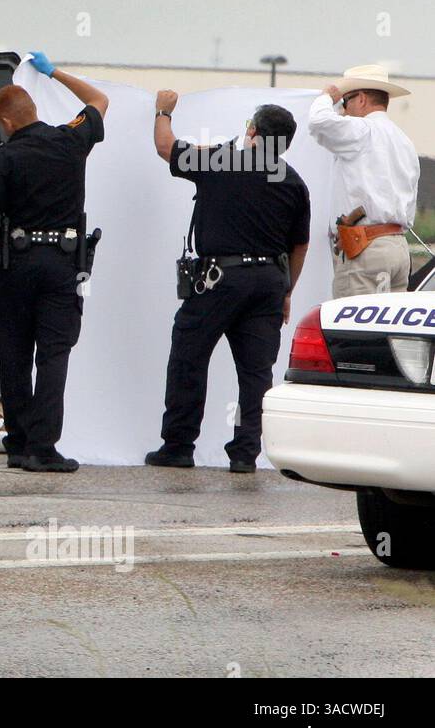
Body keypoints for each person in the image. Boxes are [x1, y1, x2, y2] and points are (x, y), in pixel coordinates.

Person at [145, 93, 311, 473]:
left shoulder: (221, 160)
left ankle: (178, 446)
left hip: (219, 279)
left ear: (251, 131)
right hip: (268, 281)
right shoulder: (293, 181)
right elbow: (300, 244)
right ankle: (244, 452)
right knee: (255, 374)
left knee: (189, 356)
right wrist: (287, 290)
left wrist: (163, 110)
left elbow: (165, 146)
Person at [0, 52, 108, 473]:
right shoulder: (71, 140)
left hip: (18, 264)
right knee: (52, 357)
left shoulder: (6, 158)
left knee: (14, 354)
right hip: (62, 263)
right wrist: (55, 73)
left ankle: (17, 445)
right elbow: (100, 100)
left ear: (8, 122)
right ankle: (43, 449)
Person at [308, 64, 418, 297]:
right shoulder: (404, 141)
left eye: (345, 102)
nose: (343, 110)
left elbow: (318, 122)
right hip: (398, 245)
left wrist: (327, 97)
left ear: (361, 99)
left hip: (366, 246)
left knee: (356, 330)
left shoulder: (362, 130)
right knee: (390, 329)